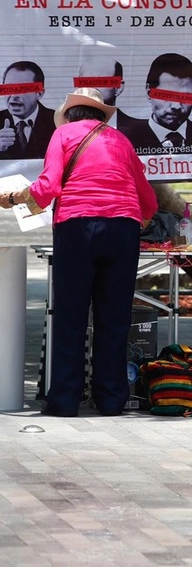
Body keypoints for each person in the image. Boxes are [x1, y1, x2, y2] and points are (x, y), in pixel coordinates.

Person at [0, 88, 157, 416]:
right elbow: (148, 200)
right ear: (101, 116)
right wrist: (131, 218)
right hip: (123, 228)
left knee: (71, 315)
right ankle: (112, 400)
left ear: (70, 114)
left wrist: (13, 199)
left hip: (78, 225)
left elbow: (49, 187)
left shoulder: (64, 134)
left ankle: (65, 400)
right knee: (114, 317)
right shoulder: (121, 141)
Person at [118, 53, 192, 151]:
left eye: (186, 97)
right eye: (167, 95)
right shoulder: (125, 139)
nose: (176, 106)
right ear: (149, 93)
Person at [0, 60, 56, 159]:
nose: (14, 95)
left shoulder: (57, 122)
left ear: (39, 93)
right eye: (9, 88)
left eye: (23, 89)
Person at [74, 56, 142, 131]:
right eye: (85, 82)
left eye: (101, 81)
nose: (91, 87)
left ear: (119, 87)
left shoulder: (139, 130)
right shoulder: (63, 129)